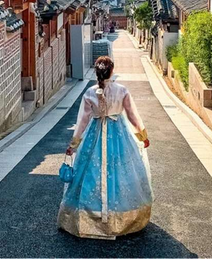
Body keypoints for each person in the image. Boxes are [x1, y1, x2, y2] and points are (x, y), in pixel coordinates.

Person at [57, 56, 153, 240]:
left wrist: (74, 144)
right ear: (112, 71)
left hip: (94, 135)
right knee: (121, 171)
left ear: (97, 72)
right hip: (119, 135)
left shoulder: (89, 93)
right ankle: (122, 217)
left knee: (89, 171)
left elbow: (82, 122)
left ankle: (88, 217)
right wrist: (142, 135)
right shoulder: (122, 90)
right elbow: (132, 114)